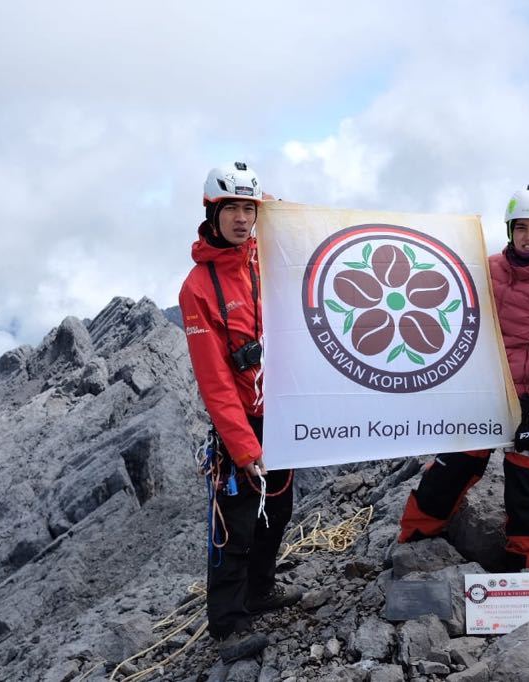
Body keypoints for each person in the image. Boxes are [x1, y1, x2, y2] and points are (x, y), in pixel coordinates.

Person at [397, 184, 529, 570]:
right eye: (522, 227)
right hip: (481, 393)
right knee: (447, 474)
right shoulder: (487, 267)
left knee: (527, 493)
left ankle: (526, 573)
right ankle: (413, 541)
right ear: (509, 229)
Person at [178, 162, 301, 663]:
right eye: (231, 208)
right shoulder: (197, 289)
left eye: (249, 209)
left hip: (281, 414)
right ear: (212, 212)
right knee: (235, 523)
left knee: (281, 509)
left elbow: (300, 224)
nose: (242, 219)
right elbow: (215, 382)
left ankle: (259, 592)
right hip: (240, 427)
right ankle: (227, 624)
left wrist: (265, 201)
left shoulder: (264, 256)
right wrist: (243, 446)